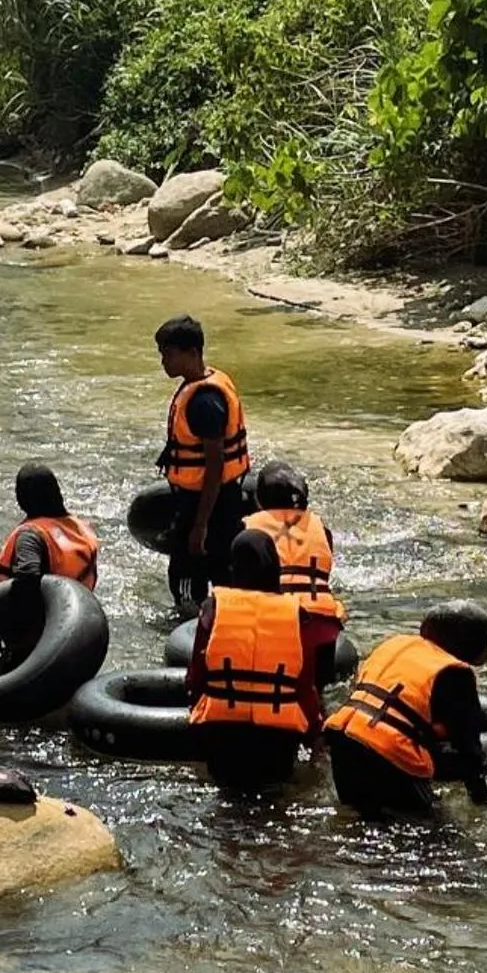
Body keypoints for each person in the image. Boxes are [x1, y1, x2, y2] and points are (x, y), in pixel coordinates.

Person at [185, 529, 327, 793]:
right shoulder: (297, 615)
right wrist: (315, 737)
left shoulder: (213, 608)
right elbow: (305, 685)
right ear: (274, 566)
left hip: (222, 735)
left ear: (233, 567)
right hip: (276, 741)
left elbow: (196, 676)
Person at [326, 603, 487, 820]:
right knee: (431, 829)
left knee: (361, 819)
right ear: (472, 646)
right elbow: (470, 754)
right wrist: (483, 808)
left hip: (343, 743)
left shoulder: (395, 644)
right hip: (387, 754)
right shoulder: (455, 673)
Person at [154, 314, 251, 614]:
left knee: (187, 569)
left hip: (206, 502)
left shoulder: (204, 403)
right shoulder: (202, 384)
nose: (163, 362)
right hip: (215, 499)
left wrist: (200, 525)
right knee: (220, 567)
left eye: (169, 354)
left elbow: (215, 466)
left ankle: (189, 622)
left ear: (192, 353)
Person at [0, 463, 100, 671]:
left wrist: (13, 633)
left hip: (39, 645)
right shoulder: (79, 528)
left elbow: (28, 578)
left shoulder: (31, 536)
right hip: (80, 635)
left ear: (22, 498)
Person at [243, 461, 344, 665]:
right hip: (322, 626)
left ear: (259, 499)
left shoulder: (248, 528)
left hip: (275, 628)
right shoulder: (320, 528)